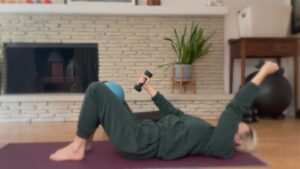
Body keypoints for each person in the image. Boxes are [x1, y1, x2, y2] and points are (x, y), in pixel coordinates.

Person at [49, 61, 279, 161]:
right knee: (112, 89)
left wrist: (264, 72)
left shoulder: (221, 145)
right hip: (141, 132)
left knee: (96, 90)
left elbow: (234, 108)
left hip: (139, 142)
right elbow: (173, 113)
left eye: (242, 125)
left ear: (238, 139)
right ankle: (87, 140)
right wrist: (148, 86)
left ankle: (77, 146)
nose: (237, 121)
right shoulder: (207, 132)